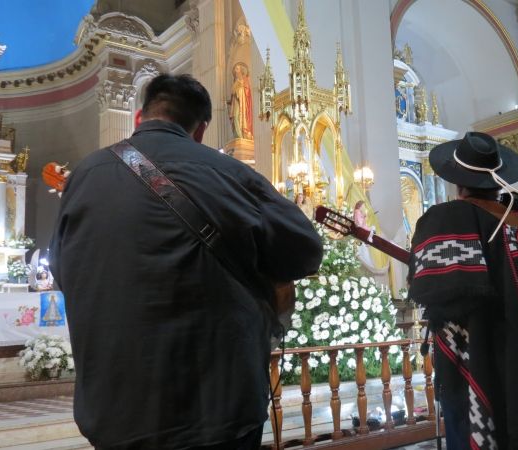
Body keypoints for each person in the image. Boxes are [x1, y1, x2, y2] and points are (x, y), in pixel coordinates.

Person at [50, 74, 323, 450]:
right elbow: (306, 250)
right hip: (217, 408)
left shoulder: (85, 174)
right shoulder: (230, 172)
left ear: (138, 117)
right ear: (201, 130)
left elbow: (61, 271)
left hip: (116, 409)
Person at [408, 132, 518, 449]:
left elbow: (429, 287)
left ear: (457, 183)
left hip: (470, 359)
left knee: (469, 428)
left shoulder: (446, 219)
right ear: (498, 179)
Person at [228, 63, 253, 140]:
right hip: (236, 102)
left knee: (238, 116)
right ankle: (237, 134)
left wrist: (239, 90)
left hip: (242, 102)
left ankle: (241, 135)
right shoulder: (236, 81)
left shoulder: (244, 79)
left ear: (241, 70)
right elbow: (232, 92)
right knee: (235, 116)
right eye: (235, 69)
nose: (236, 71)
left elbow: (247, 91)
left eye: (237, 69)